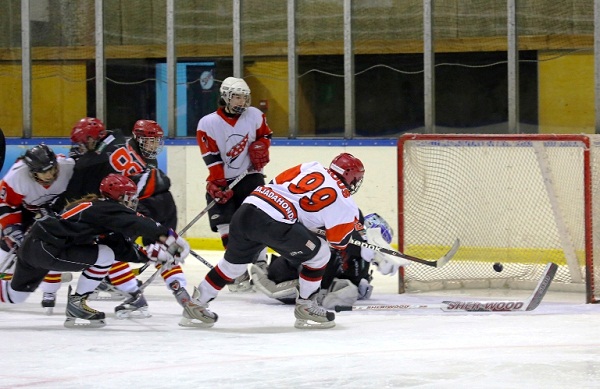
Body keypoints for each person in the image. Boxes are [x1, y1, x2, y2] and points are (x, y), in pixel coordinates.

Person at [180, 152, 365, 329]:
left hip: (248, 209)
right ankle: (306, 306)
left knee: (232, 267)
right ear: (353, 178)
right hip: (274, 224)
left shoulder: (312, 166)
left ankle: (195, 305)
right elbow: (338, 243)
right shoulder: (347, 203)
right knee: (321, 254)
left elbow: (275, 183)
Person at [0, 174, 190, 328]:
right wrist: (170, 238)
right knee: (104, 255)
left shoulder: (102, 213)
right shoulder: (105, 208)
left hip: (35, 246)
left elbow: (120, 249)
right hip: (47, 248)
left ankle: (77, 304)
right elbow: (137, 222)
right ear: (117, 197)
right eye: (128, 197)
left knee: (14, 295)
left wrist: (149, 255)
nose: (132, 202)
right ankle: (77, 304)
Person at [65, 118, 200, 322]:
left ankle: (134, 296)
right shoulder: (120, 139)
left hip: (138, 204)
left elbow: (86, 192)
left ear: (92, 140)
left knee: (112, 248)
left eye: (83, 143)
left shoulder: (92, 162)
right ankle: (182, 295)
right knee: (165, 249)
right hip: (164, 200)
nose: (81, 147)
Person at [195, 76, 273, 293]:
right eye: (237, 97)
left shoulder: (255, 115)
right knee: (227, 226)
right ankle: (237, 272)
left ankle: (260, 267)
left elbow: (265, 135)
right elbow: (210, 154)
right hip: (223, 181)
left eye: (245, 98)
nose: (242, 102)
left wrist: (261, 147)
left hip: (251, 178)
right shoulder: (208, 123)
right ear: (226, 97)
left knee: (257, 222)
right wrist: (218, 181)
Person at [250, 212, 410, 309]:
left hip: (306, 282)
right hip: (286, 272)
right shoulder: (345, 230)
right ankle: (260, 269)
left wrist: (360, 286)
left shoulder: (362, 261)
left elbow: (348, 283)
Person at [0, 144, 75, 314]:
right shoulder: (17, 176)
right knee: (8, 244)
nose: (50, 174)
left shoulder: (67, 167)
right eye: (44, 171)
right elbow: (6, 204)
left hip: (56, 211)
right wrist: (12, 228)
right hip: (27, 210)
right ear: (32, 171)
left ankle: (49, 291)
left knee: (53, 247)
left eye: (52, 168)